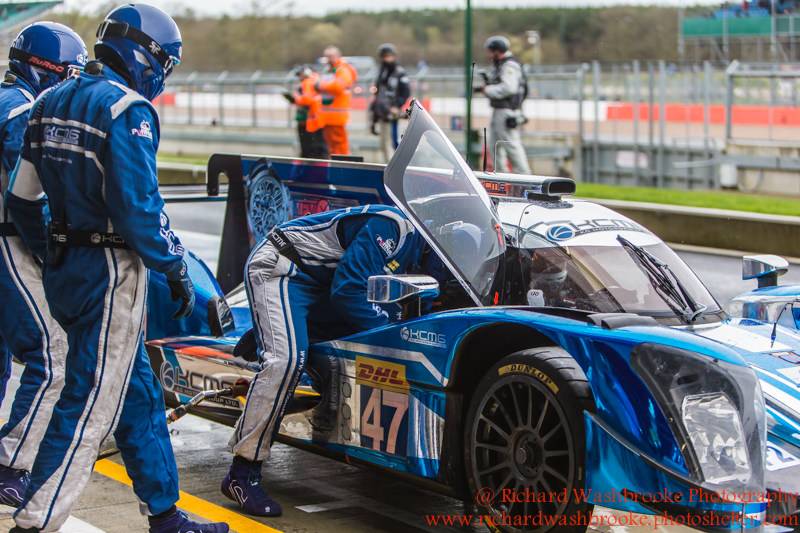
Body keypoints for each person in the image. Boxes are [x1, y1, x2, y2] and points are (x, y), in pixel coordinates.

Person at [4, 5, 229, 533]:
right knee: (89, 405)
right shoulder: (128, 109)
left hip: (65, 268)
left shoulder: (48, 102)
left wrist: (51, 252)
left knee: (138, 397)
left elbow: (22, 199)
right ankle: (34, 521)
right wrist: (175, 269)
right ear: (146, 55)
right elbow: (139, 212)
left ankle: (166, 515)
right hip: (111, 272)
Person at [221, 205, 453, 516]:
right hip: (282, 268)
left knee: (357, 336)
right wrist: (388, 334)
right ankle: (242, 473)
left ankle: (289, 327)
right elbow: (348, 290)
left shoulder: (415, 250)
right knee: (286, 362)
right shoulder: (394, 228)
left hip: (320, 283)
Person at [0, 21, 86, 509]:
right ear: (48, 69)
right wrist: (52, 251)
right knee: (53, 354)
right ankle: (11, 464)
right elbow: (29, 194)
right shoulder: (22, 110)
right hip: (7, 240)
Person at [475, 36, 531, 175]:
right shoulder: (502, 65)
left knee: (512, 147)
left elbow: (508, 88)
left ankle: (525, 178)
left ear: (497, 51)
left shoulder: (509, 65)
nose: (489, 55)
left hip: (506, 112)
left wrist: (487, 90)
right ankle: (501, 177)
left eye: (490, 51)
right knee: (494, 147)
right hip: (500, 111)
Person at [370, 43, 410, 163]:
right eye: (383, 56)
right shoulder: (381, 72)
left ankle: (395, 167)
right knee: (384, 143)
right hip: (381, 111)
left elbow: (405, 92)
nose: (386, 59)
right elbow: (378, 94)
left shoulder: (399, 73)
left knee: (393, 142)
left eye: (388, 56)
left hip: (391, 113)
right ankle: (388, 166)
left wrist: (396, 106)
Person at [316, 46, 357, 156]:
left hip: (337, 114)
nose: (329, 59)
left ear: (338, 56)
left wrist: (321, 85)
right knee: (331, 145)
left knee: (339, 143)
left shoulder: (343, 69)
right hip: (328, 114)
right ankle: (335, 163)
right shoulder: (329, 70)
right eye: (327, 56)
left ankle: (342, 163)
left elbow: (338, 87)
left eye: (331, 56)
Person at [289, 65, 328, 159]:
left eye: (300, 74)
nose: (299, 77)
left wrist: (296, 98)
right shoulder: (314, 80)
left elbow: (307, 99)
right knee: (315, 144)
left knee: (310, 146)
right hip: (313, 117)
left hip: (310, 118)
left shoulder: (308, 82)